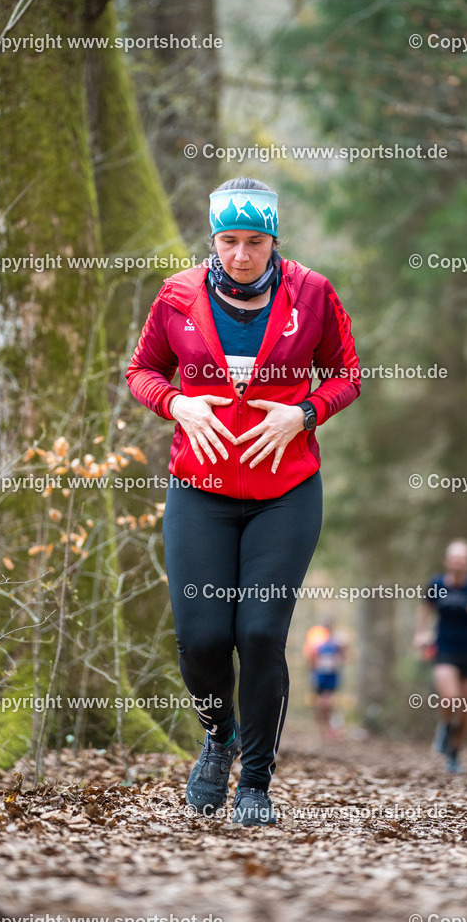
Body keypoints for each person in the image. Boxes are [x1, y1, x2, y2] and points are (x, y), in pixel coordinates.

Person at [126, 178, 360, 824]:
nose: (240, 256)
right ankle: (219, 737)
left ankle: (254, 782)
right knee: (201, 640)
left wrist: (304, 414)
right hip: (198, 492)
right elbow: (140, 371)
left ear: (273, 239)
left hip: (284, 494)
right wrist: (176, 402)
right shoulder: (176, 297)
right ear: (213, 239)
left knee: (258, 633)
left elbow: (347, 373)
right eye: (228, 241)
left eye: (254, 242)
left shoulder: (311, 294)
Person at [414, 539, 467, 773]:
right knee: (450, 697)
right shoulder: (436, 583)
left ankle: (454, 754)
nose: (458, 562)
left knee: (466, 711)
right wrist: (420, 634)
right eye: (455, 558)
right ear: (447, 561)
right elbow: (425, 610)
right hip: (444, 648)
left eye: (463, 558)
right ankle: (445, 726)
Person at [306, 620, 347, 737]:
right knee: (322, 702)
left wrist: (337, 661)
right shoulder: (316, 641)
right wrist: (314, 668)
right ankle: (323, 728)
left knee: (327, 702)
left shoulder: (337, 643)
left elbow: (344, 657)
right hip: (320, 675)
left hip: (331, 675)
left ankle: (328, 727)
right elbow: (311, 659)